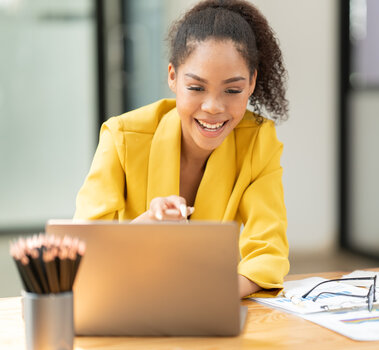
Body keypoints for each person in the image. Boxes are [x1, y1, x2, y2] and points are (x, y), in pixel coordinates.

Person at [74, 0, 289, 298]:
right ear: (173, 77)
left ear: (252, 82)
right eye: (197, 88)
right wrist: (146, 224)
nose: (213, 107)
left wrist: (212, 293)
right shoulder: (122, 137)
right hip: (128, 299)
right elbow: (81, 252)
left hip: (211, 301)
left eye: (233, 90)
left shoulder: (258, 140)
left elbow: (268, 251)